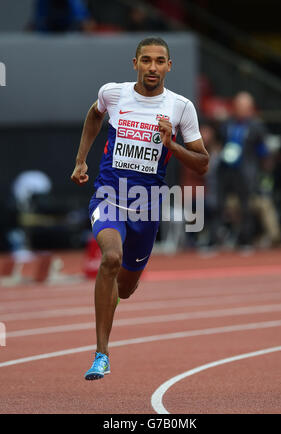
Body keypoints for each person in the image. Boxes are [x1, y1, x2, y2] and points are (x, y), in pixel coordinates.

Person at [71, 36, 209, 380]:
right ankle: (101, 354)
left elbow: (203, 163)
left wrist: (171, 145)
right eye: (145, 60)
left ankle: (110, 299)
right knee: (110, 258)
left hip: (147, 207)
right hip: (109, 195)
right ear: (135, 63)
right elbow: (94, 115)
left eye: (159, 61)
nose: (152, 67)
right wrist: (80, 161)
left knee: (126, 288)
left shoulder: (181, 107)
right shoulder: (113, 93)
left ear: (169, 66)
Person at [217, 91, 269, 247]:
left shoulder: (257, 125)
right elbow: (220, 143)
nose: (240, 109)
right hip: (226, 169)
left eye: (244, 106)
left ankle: (245, 240)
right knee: (219, 203)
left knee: (246, 206)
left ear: (250, 108)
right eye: (238, 105)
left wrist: (263, 172)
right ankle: (218, 237)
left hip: (246, 171)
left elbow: (263, 150)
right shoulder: (227, 123)